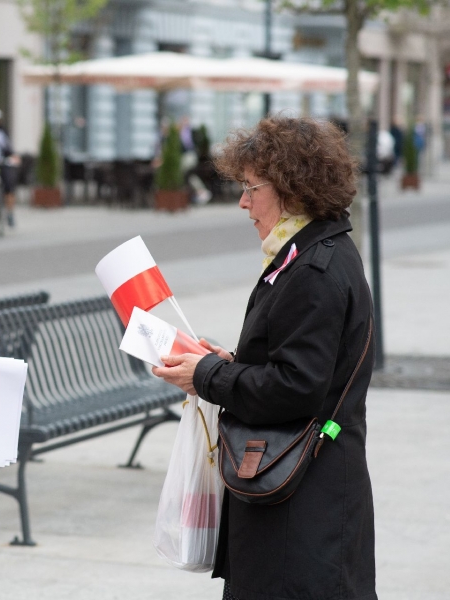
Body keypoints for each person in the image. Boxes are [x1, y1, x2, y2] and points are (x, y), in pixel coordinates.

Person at [151, 117, 377, 600]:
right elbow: (302, 361)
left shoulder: (314, 269)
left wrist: (209, 375)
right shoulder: (312, 251)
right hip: (302, 488)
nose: (243, 202)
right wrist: (230, 361)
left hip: (301, 503)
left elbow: (296, 387)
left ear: (292, 189)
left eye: (251, 188)